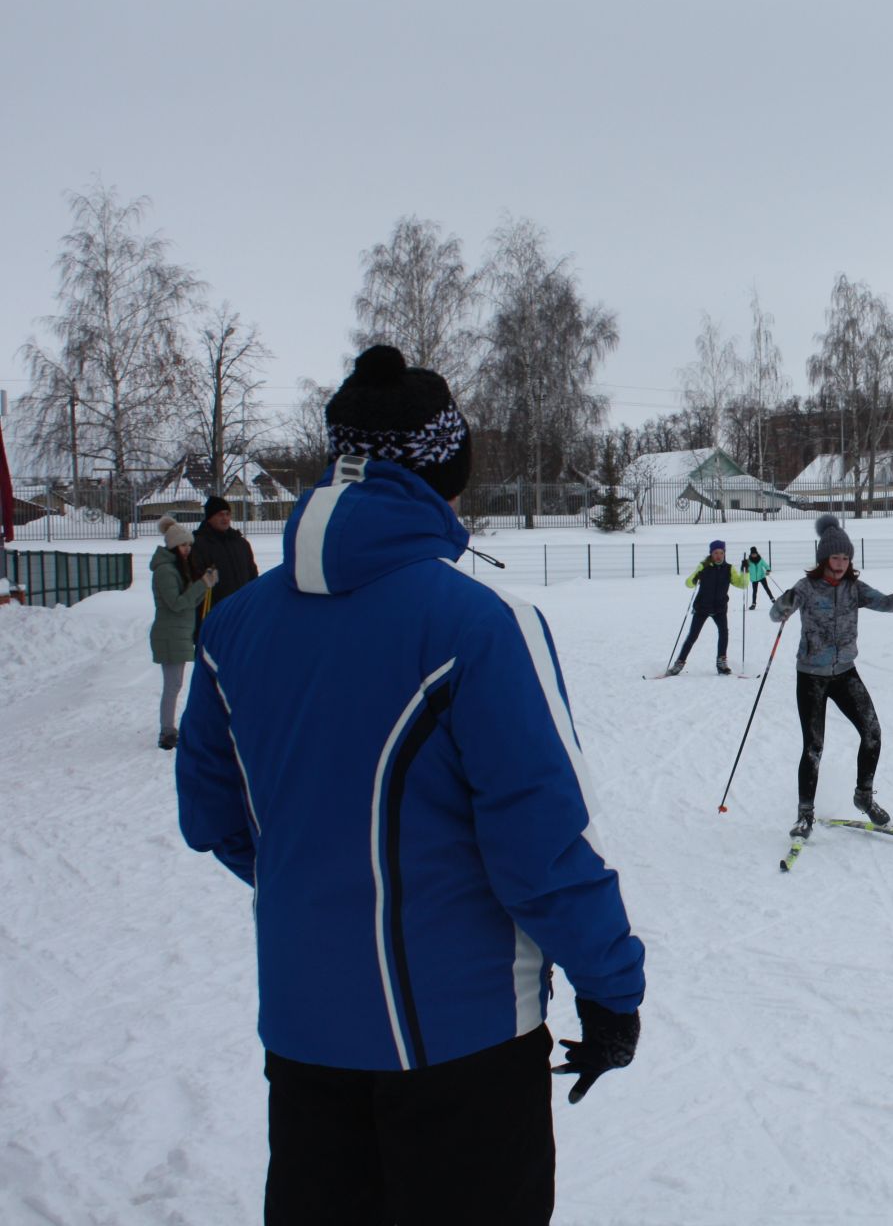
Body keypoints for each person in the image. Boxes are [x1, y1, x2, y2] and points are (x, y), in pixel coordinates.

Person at [175, 345, 645, 1226]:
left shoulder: (236, 627)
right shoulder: (478, 624)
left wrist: (326, 893)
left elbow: (215, 820)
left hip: (305, 1039)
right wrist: (612, 987)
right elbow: (539, 851)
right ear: (442, 476)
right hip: (461, 1049)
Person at [768, 514, 893, 838]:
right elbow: (775, 614)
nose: (841, 563)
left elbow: (887, 604)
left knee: (873, 732)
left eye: (846, 557)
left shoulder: (854, 589)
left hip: (845, 673)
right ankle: (804, 815)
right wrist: (784, 604)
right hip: (811, 676)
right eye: (835, 557)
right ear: (823, 558)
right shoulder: (805, 588)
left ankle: (864, 796)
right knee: (814, 747)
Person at [150, 516, 216, 749]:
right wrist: (201, 585)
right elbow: (177, 603)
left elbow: (190, 602)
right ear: (172, 546)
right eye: (183, 545)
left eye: (189, 545)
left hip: (179, 632)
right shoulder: (165, 571)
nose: (187, 549)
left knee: (175, 684)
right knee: (172, 685)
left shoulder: (176, 567)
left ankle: (169, 728)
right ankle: (167, 731)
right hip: (170, 633)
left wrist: (205, 584)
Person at [670, 539, 747, 675]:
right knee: (692, 636)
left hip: (720, 608)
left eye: (721, 553)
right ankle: (679, 663)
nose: (718, 555)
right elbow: (689, 583)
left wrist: (745, 572)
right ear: (711, 553)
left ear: (724, 553)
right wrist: (696, 575)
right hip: (702, 607)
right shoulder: (703, 567)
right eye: (716, 553)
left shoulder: (729, 569)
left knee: (724, 633)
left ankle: (721, 664)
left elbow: (742, 584)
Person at [190, 493, 259, 635]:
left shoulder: (240, 543)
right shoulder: (198, 544)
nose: (225, 518)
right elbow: (195, 580)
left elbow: (252, 574)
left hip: (241, 611)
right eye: (220, 515)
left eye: (227, 514)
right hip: (213, 614)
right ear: (210, 517)